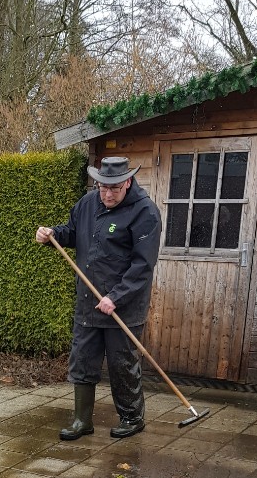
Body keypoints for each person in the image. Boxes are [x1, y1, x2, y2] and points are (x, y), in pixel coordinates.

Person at [35, 156, 162, 440]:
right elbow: (71, 232)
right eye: (102, 186)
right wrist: (52, 233)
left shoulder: (146, 213)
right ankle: (82, 421)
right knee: (83, 361)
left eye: (114, 188)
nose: (106, 193)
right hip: (89, 303)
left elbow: (143, 266)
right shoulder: (88, 204)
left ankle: (132, 418)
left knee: (121, 365)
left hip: (122, 309)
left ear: (127, 182)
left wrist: (115, 297)